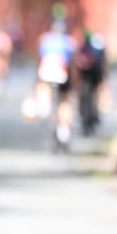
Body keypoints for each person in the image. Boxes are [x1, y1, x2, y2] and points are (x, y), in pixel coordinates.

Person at [36, 17, 77, 145]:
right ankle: (64, 129)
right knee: (65, 100)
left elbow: (40, 59)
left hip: (47, 71)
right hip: (63, 73)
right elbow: (72, 64)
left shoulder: (45, 40)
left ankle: (45, 106)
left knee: (43, 85)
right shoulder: (69, 42)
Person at [74, 29, 107, 135]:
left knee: (84, 96)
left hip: (85, 76)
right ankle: (94, 114)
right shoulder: (99, 47)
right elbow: (103, 62)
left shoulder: (82, 47)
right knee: (94, 95)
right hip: (95, 75)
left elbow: (76, 62)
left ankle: (86, 114)